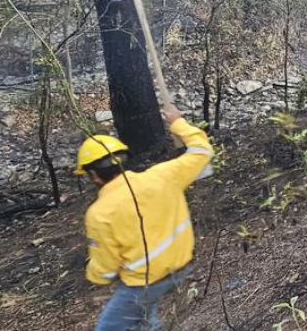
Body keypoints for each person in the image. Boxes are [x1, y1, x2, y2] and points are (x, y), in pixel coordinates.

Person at [79, 101, 214, 330]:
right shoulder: (163, 176)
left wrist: (95, 275)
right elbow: (203, 151)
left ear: (93, 176)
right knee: (143, 319)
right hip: (182, 267)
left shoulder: (100, 213)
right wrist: (177, 122)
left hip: (145, 282)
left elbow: (105, 269)